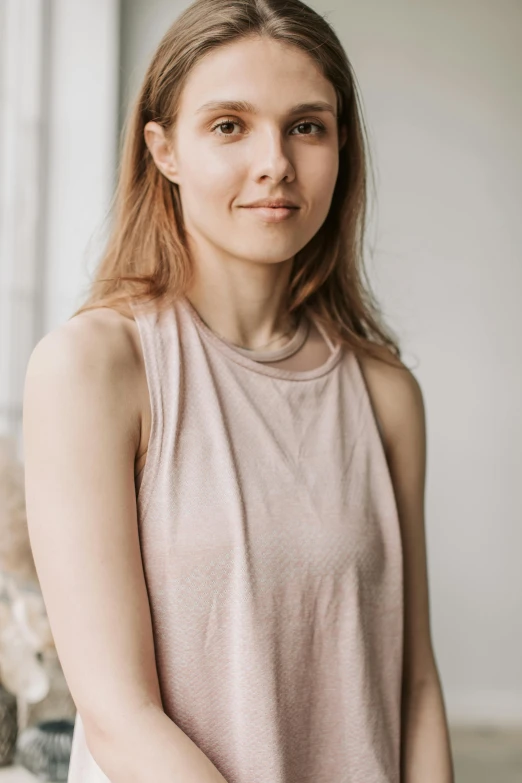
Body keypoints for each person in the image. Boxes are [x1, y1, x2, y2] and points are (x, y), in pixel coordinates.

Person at [22, 0, 454, 781]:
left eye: (307, 126)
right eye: (229, 125)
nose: (275, 163)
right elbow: (120, 714)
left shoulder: (386, 392)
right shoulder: (92, 368)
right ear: (164, 150)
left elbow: (414, 683)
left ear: (341, 146)